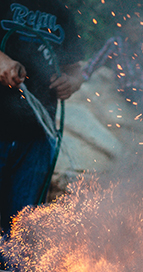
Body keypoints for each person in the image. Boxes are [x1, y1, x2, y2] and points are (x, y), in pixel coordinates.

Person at [0, 0, 84, 238]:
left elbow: (75, 68)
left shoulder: (62, 13)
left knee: (22, 230)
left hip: (37, 138)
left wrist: (72, 82)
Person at [82, 14, 143, 125]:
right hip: (129, 86)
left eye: (140, 24)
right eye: (134, 24)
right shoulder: (115, 42)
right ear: (124, 27)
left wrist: (138, 47)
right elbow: (97, 60)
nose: (138, 28)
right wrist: (84, 75)